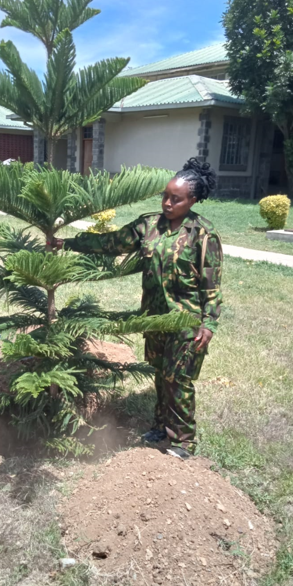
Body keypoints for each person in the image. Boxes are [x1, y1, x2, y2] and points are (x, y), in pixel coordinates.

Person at [53, 159, 223, 460]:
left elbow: (211, 285)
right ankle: (160, 426)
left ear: (192, 200)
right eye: (165, 197)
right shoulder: (148, 225)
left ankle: (184, 440)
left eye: (176, 199)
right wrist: (68, 243)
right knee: (159, 373)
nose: (168, 203)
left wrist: (208, 324)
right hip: (154, 317)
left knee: (177, 378)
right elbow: (112, 242)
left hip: (186, 321)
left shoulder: (203, 235)